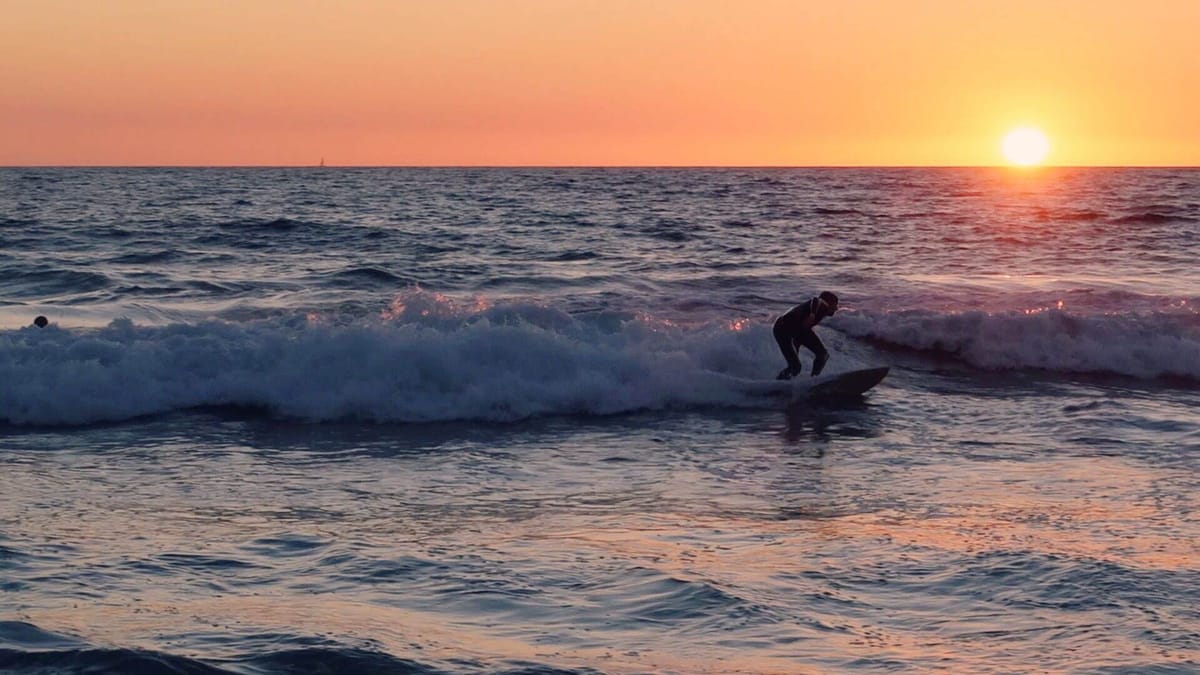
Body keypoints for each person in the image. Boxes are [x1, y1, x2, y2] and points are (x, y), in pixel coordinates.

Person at [773, 291, 838, 380]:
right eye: (835, 304)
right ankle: (778, 383)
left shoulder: (821, 310)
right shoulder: (820, 305)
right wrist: (812, 314)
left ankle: (814, 380)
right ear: (828, 302)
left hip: (800, 331)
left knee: (823, 355)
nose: (836, 308)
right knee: (795, 367)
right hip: (783, 330)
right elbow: (816, 300)